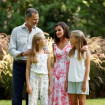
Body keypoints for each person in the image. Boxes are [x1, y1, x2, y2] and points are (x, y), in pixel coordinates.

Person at [8, 8, 43, 105]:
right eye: (34, 19)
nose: (36, 21)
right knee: (16, 94)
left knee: (31, 95)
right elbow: (11, 50)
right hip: (18, 65)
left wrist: (38, 53)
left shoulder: (39, 32)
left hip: (33, 66)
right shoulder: (16, 31)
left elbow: (44, 48)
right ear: (27, 18)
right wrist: (22, 53)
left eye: (37, 19)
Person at [26, 33, 52, 105]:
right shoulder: (31, 53)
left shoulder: (47, 53)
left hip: (45, 79)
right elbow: (27, 69)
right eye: (43, 39)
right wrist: (28, 84)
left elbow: (49, 69)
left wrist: (50, 85)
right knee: (32, 101)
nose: (45, 40)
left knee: (45, 101)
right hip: (34, 78)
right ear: (38, 41)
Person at [49, 22, 71, 105]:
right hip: (56, 73)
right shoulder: (54, 44)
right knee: (56, 92)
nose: (57, 32)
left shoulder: (71, 42)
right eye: (56, 31)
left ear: (64, 30)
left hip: (67, 70)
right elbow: (54, 61)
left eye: (59, 30)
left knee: (65, 92)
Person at [65, 30, 90, 105]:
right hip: (71, 80)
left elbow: (88, 67)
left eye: (72, 37)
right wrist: (66, 81)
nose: (70, 39)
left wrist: (85, 82)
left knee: (82, 102)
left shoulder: (85, 52)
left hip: (82, 80)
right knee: (73, 103)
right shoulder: (70, 52)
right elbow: (69, 67)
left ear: (77, 39)